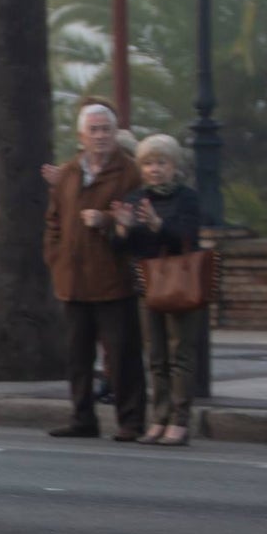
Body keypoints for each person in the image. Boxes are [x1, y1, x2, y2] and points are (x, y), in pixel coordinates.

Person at [44, 103, 146, 441]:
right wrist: (55, 257)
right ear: (81, 136)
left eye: (107, 130)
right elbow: (53, 220)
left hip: (112, 280)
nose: (101, 136)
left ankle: (131, 421)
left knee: (122, 355)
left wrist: (105, 219)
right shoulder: (70, 172)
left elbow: (139, 222)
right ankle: (82, 418)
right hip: (72, 281)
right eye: (94, 130)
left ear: (115, 134)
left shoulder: (130, 173)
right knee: (77, 357)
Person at [111, 134, 202, 446]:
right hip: (148, 284)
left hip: (181, 284)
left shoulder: (187, 198)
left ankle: (180, 420)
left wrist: (157, 224)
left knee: (181, 353)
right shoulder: (137, 198)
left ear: (173, 166)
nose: (154, 169)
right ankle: (159, 418)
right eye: (148, 164)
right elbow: (125, 248)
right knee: (156, 356)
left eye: (161, 163)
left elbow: (187, 238)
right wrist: (122, 228)